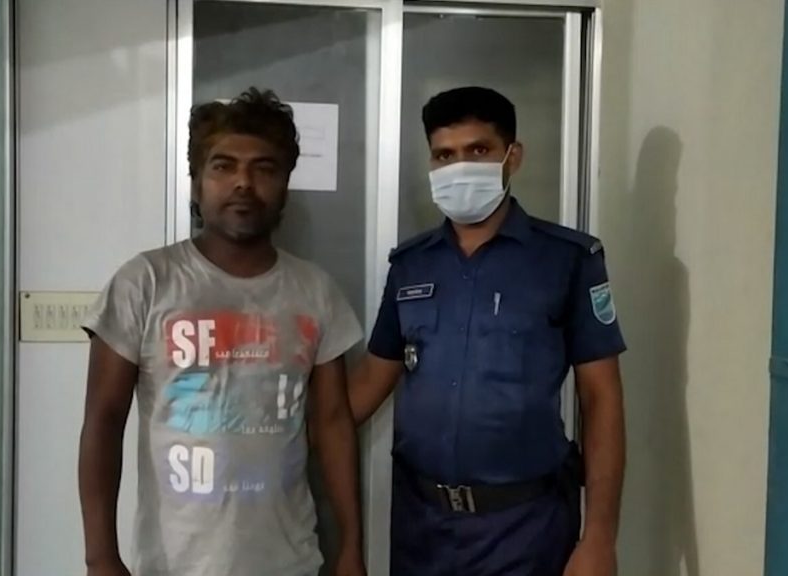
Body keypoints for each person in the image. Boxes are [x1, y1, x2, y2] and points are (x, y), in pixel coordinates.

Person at [78, 88, 366, 576]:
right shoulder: (145, 283)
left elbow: (334, 423)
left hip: (289, 562)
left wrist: (352, 545)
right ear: (196, 185)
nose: (243, 183)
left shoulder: (316, 291)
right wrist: (100, 556)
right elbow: (103, 421)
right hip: (174, 564)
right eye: (223, 166)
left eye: (264, 168)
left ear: (285, 187)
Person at [349, 86, 627, 576]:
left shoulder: (566, 261)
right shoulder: (410, 266)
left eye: (477, 150)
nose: (459, 167)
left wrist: (600, 537)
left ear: (511, 156)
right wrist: (281, 438)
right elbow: (371, 382)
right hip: (421, 528)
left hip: (527, 529)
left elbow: (601, 398)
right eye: (444, 155)